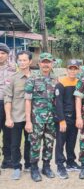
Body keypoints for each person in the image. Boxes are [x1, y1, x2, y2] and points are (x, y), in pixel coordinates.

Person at [25, 52, 57, 182]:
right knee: (35, 144)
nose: (46, 64)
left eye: (48, 62)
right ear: (39, 64)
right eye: (43, 62)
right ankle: (34, 168)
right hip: (36, 119)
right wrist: (28, 121)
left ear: (52, 64)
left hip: (51, 119)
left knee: (49, 143)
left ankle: (46, 167)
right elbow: (27, 100)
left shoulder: (56, 79)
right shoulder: (32, 79)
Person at [4, 51, 32, 180]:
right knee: (14, 144)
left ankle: (29, 164)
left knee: (30, 142)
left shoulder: (36, 77)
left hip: (31, 117)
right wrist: (8, 117)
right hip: (16, 116)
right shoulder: (13, 78)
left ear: (30, 62)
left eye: (25, 60)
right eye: (20, 60)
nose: (22, 62)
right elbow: (8, 99)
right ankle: (16, 167)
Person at [55, 59, 81, 179]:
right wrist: (61, 120)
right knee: (61, 142)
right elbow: (58, 102)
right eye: (70, 68)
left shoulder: (79, 83)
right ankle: (60, 165)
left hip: (74, 118)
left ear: (78, 70)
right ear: (67, 70)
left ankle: (71, 162)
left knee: (71, 141)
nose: (72, 71)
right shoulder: (61, 83)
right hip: (63, 117)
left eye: (75, 68)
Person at [0, 43, 16, 170]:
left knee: (8, 132)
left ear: (7, 55)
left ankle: (7, 159)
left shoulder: (14, 69)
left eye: (3, 53)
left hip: (8, 103)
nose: (0, 55)